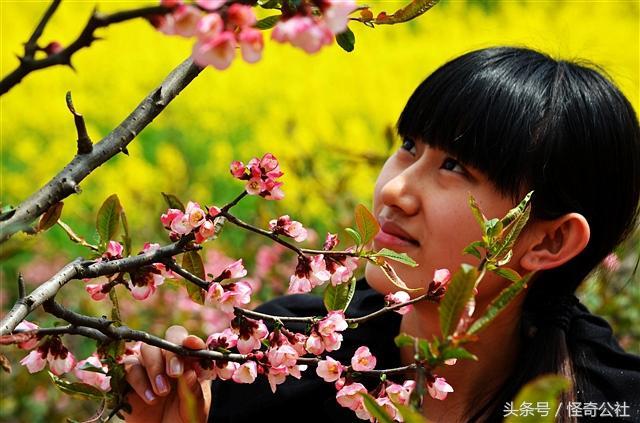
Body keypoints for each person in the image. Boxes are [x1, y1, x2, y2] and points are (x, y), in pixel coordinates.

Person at [123, 46, 640, 422]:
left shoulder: (612, 402)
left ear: (549, 242)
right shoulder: (280, 358)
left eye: (456, 167)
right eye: (410, 145)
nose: (395, 190)